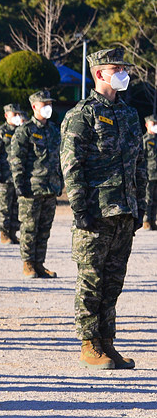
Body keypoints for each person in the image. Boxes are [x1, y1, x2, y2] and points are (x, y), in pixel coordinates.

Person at [61, 47, 146, 370]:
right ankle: (88, 343)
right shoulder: (82, 115)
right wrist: (80, 209)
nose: (124, 73)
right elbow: (72, 166)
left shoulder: (128, 113)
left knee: (113, 281)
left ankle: (107, 342)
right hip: (96, 212)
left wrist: (140, 206)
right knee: (91, 280)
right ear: (100, 73)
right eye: (117, 68)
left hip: (124, 211)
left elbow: (138, 163)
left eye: (125, 67)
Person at [10, 91, 63, 278]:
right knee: (29, 228)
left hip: (51, 187)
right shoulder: (25, 131)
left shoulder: (55, 130)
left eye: (50, 103)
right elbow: (16, 159)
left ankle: (39, 263)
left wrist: (60, 181)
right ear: (34, 107)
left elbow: (60, 157)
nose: (48, 107)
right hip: (31, 188)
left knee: (44, 229)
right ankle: (28, 263)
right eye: (44, 104)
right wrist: (19, 184)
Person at [0, 104, 25, 244]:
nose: (17, 116)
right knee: (4, 206)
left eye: (18, 114)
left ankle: (13, 232)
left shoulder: (22, 131)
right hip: (4, 175)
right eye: (14, 114)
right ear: (6, 115)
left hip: (18, 176)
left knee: (16, 206)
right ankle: (4, 233)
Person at [143, 115, 157, 230]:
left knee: (155, 198)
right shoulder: (145, 140)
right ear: (147, 125)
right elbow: (141, 158)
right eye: (153, 124)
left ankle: (153, 220)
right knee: (148, 198)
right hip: (149, 173)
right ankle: (146, 220)